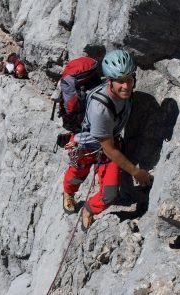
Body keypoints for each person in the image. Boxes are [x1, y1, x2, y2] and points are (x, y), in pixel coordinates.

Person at [61, 49, 151, 231]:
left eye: (129, 80)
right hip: (86, 146)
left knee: (109, 194)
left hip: (107, 143)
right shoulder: (100, 108)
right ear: (109, 81)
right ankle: (68, 194)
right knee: (77, 175)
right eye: (120, 81)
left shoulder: (124, 95)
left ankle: (88, 210)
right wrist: (136, 172)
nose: (126, 86)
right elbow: (109, 149)